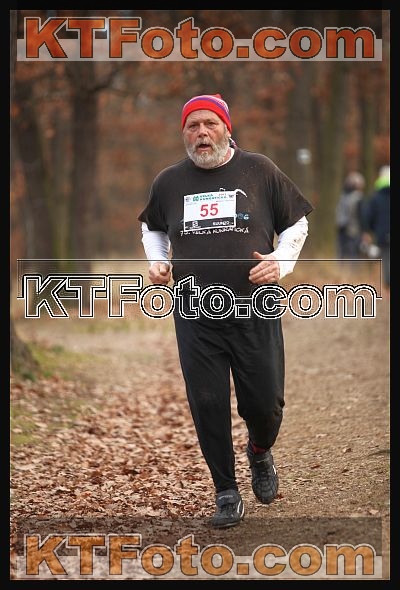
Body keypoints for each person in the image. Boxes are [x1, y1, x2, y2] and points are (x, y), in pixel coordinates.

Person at [138, 94, 314, 528]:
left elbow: (297, 222)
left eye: (210, 124)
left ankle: (260, 450)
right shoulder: (168, 182)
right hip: (195, 312)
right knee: (207, 402)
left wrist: (281, 262)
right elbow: (152, 228)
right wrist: (158, 262)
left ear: (226, 128)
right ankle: (225, 491)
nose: (202, 133)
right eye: (193, 126)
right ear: (184, 133)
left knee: (266, 404)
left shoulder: (260, 170)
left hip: (255, 307)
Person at [361, 165, 390, 292]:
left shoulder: (375, 197)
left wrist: (370, 230)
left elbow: (368, 216)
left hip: (383, 233)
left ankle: (388, 284)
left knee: (387, 257)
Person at [335, 171, 366, 260]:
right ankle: (352, 269)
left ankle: (340, 269)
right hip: (353, 230)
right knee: (353, 254)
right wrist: (364, 230)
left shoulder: (342, 196)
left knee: (341, 254)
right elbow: (361, 216)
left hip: (341, 228)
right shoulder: (358, 197)